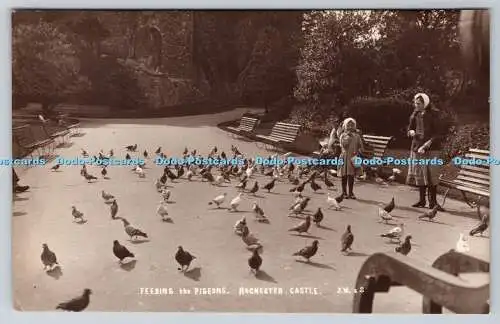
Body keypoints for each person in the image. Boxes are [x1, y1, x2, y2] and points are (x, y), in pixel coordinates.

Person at [406, 93, 444, 211]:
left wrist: (427, 144)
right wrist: (411, 132)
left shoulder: (434, 115)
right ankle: (422, 200)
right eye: (415, 103)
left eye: (419, 103)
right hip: (417, 148)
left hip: (432, 148)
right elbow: (409, 129)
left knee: (432, 174)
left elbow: (438, 133)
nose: (416, 105)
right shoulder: (415, 114)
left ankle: (433, 202)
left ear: (425, 103)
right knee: (420, 174)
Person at [337, 118, 364, 199]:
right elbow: (343, 145)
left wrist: (360, 150)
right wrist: (348, 136)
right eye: (348, 125)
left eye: (352, 125)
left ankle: (351, 192)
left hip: (353, 157)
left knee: (351, 176)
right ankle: (344, 192)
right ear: (345, 126)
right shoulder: (343, 135)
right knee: (344, 175)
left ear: (354, 126)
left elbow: (360, 146)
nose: (350, 126)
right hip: (344, 157)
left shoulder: (357, 136)